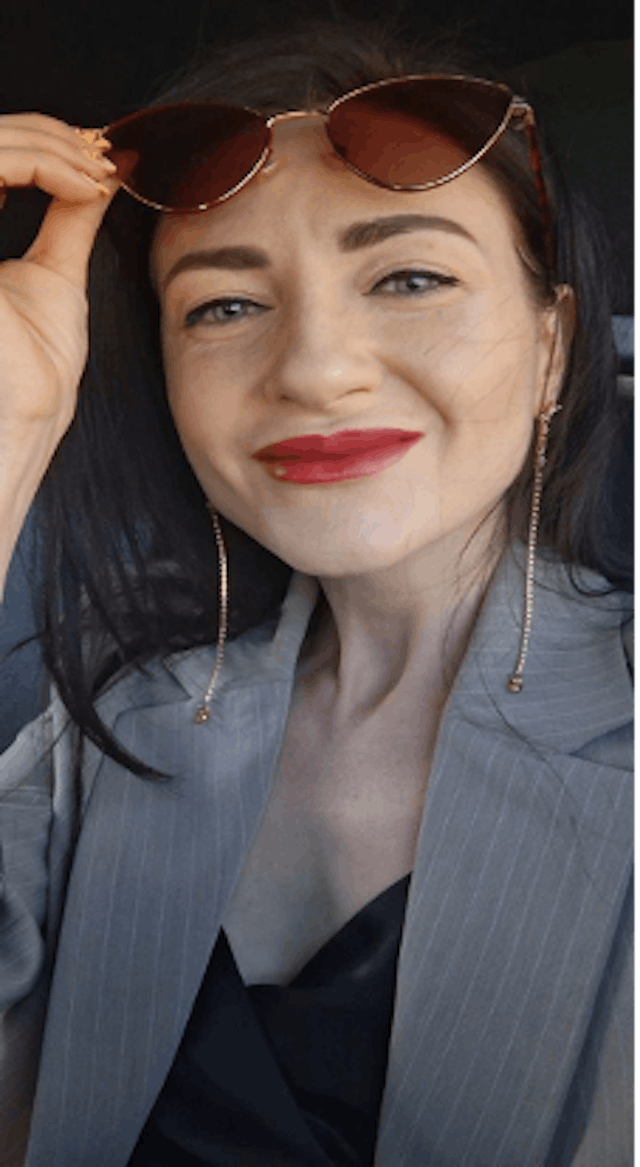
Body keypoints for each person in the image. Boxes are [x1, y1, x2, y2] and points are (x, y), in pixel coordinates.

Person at [0, 20, 634, 1167]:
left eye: (409, 278)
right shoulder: (109, 723)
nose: (312, 370)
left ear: (554, 345)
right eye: (224, 306)